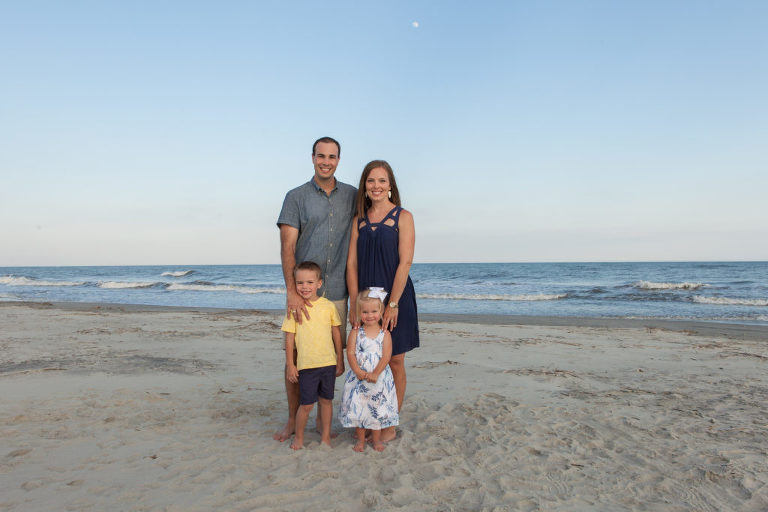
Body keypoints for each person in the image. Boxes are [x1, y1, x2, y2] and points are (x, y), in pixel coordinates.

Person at [274, 136, 357, 442]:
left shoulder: (351, 195)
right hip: (304, 293)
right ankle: (292, 421)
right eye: (321, 156)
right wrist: (292, 291)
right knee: (297, 359)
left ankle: (328, 423)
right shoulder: (295, 197)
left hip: (337, 292)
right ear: (312, 158)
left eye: (332, 156)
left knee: (330, 358)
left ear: (338, 160)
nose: (326, 161)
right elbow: (287, 247)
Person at [346, 159, 419, 443]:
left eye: (382, 181)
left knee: (396, 361)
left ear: (390, 186)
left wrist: (394, 303)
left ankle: (389, 422)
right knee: (366, 360)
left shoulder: (404, 216)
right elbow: (351, 264)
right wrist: (354, 302)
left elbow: (406, 262)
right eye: (371, 181)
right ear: (364, 187)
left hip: (396, 299)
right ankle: (367, 419)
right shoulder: (358, 221)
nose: (376, 186)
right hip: (366, 304)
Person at [280, 261, 345, 450]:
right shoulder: (294, 308)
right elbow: (289, 339)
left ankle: (325, 437)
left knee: (326, 402)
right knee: (306, 405)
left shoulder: (329, 306)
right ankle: (298, 437)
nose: (305, 287)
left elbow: (336, 335)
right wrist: (291, 365)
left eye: (309, 282)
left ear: (319, 283)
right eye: (300, 283)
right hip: (306, 365)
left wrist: (339, 360)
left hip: (328, 364)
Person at [339, 288, 399, 452]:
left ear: (381, 311)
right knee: (360, 407)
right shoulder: (356, 332)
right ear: (359, 313)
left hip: (378, 379)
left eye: (374, 311)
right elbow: (350, 353)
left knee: (377, 407)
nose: (370, 315)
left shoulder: (384, 334)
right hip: (359, 378)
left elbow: (386, 356)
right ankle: (360, 440)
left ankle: (377, 440)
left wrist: (376, 373)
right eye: (365, 312)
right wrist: (357, 371)